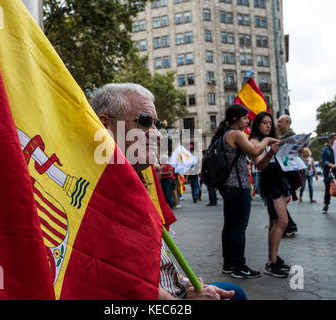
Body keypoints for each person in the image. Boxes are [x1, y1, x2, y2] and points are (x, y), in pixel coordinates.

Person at [90, 83, 247, 300]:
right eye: (144, 122)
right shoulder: (94, 191)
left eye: (157, 124)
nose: (156, 135)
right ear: (105, 125)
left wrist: (190, 285)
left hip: (175, 290)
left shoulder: (135, 181)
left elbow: (162, 262)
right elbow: (120, 281)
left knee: (236, 292)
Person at [211, 105, 278, 279]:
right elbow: (255, 150)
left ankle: (228, 263)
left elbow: (258, 160)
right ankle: (239, 266)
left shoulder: (224, 134)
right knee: (239, 227)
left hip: (228, 186)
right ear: (235, 119)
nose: (247, 121)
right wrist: (267, 140)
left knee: (230, 226)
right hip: (238, 187)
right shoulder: (236, 134)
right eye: (245, 118)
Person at [250, 112, 292, 278]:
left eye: (269, 123)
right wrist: (270, 152)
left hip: (279, 179)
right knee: (282, 221)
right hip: (269, 182)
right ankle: (271, 262)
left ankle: (273, 259)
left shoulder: (275, 139)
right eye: (264, 123)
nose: (268, 126)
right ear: (257, 124)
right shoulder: (254, 141)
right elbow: (260, 165)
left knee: (276, 222)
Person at [276, 115, 299, 237]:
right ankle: (290, 225)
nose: (278, 124)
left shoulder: (289, 136)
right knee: (280, 201)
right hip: (285, 171)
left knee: (279, 201)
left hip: (285, 172)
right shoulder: (282, 135)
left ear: (287, 123)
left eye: (280, 122)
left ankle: (288, 226)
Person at [321, 133, 336, 213]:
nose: (335, 139)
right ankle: (326, 204)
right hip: (329, 172)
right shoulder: (326, 150)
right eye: (333, 138)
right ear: (330, 139)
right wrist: (331, 165)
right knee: (328, 188)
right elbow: (324, 161)